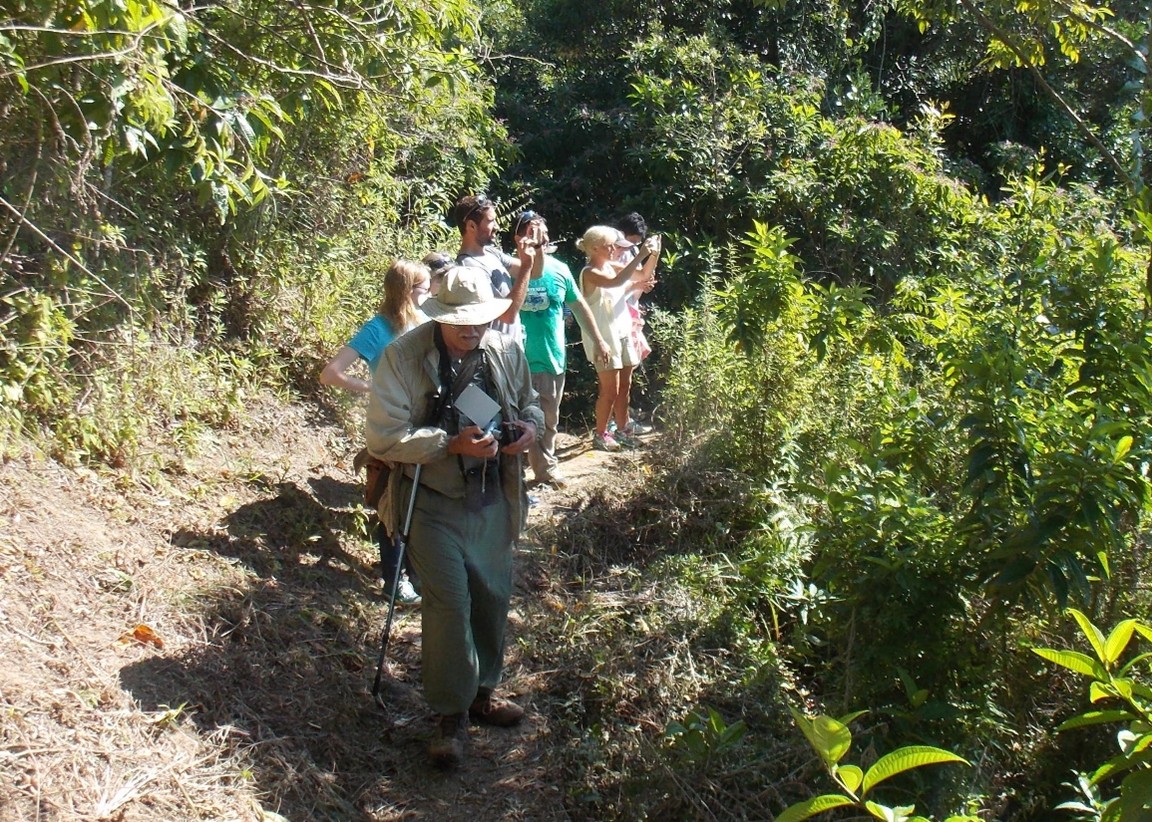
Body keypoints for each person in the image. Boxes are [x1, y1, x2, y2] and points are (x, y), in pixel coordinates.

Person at [365, 264, 544, 768]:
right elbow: (383, 436)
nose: (471, 330)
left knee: (491, 593)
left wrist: (528, 429)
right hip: (431, 501)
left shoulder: (505, 348)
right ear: (439, 316)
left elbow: (530, 404)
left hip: (492, 497)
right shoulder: (403, 356)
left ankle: (484, 689)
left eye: (479, 321)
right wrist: (448, 444)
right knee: (449, 602)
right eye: (460, 321)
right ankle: (450, 715)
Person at [320, 259, 431, 604]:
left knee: (422, 500)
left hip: (425, 422)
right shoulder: (378, 328)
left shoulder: (427, 322)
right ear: (409, 291)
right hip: (389, 426)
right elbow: (331, 373)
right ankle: (394, 582)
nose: (430, 294)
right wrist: (371, 388)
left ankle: (416, 575)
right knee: (391, 501)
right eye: (425, 289)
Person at [513, 210, 611, 486]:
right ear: (517, 237)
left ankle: (543, 470)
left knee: (548, 418)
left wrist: (599, 339)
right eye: (530, 231)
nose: (537, 236)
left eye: (541, 230)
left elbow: (579, 306)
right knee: (517, 418)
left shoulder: (560, 270)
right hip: (517, 360)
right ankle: (527, 472)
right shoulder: (509, 269)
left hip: (552, 356)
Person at [576, 226, 661, 451]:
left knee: (625, 386)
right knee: (610, 390)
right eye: (610, 245)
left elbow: (643, 275)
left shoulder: (612, 265)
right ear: (594, 248)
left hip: (622, 333)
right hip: (603, 339)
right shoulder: (590, 272)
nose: (614, 248)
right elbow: (614, 282)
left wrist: (654, 253)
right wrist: (641, 254)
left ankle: (623, 430)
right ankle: (601, 433)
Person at [453, 194, 544, 339]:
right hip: (495, 355)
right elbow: (507, 316)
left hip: (511, 350)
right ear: (471, 226)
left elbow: (535, 273)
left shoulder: (491, 253)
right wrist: (526, 265)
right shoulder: (468, 268)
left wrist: (537, 246)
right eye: (491, 221)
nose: (497, 226)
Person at [612, 212, 659, 437]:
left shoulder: (631, 251)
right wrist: (636, 283)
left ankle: (623, 422)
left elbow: (638, 282)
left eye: (637, 243)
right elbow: (614, 289)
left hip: (629, 315)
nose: (632, 246)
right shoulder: (609, 252)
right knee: (616, 377)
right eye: (631, 240)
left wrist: (643, 284)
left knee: (626, 376)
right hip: (613, 319)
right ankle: (617, 426)